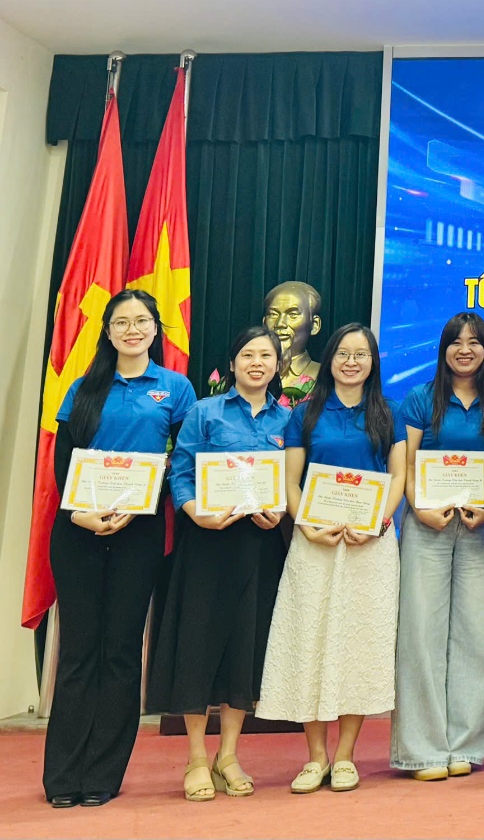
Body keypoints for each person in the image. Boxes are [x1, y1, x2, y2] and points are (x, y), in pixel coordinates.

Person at [43, 289, 197, 808]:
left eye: (141, 321)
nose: (132, 330)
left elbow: (184, 461)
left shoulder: (175, 389)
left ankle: (102, 775)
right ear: (107, 332)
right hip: (77, 528)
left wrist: (145, 502)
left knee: (122, 652)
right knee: (79, 651)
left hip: (139, 531)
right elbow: (64, 459)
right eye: (121, 322)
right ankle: (63, 776)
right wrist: (78, 513)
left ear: (156, 328)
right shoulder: (83, 388)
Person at [256, 324, 406, 795]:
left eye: (361, 355)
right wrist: (307, 525)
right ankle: (315, 756)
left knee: (359, 646)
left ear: (373, 362)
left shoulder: (389, 413)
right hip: (314, 543)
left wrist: (378, 523)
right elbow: (290, 482)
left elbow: (399, 477)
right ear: (331, 358)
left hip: (370, 546)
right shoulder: (305, 413)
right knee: (311, 642)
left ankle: (345, 757)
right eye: (343, 353)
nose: (351, 362)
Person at [147, 326, 292, 801]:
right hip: (208, 544)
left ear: (277, 365)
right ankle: (195, 757)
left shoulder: (289, 420)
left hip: (260, 546)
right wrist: (196, 513)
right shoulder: (204, 412)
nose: (257, 363)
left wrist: (281, 511)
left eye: (266, 355)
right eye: (247, 354)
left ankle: (228, 755)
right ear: (232, 364)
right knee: (198, 646)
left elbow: (293, 479)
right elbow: (182, 471)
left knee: (245, 647)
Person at [391, 313, 484, 781]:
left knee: (472, 634)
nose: (465, 349)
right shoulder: (421, 399)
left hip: (478, 528)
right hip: (427, 525)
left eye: (474, 342)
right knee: (420, 634)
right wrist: (419, 508)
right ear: (443, 349)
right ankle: (421, 750)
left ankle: (465, 745)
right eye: (456, 342)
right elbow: (407, 464)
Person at [262, 281, 322, 396]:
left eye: (292, 314)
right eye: (273, 314)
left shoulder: (325, 377)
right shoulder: (246, 373)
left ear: (314, 325)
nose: (280, 323)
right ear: (264, 323)